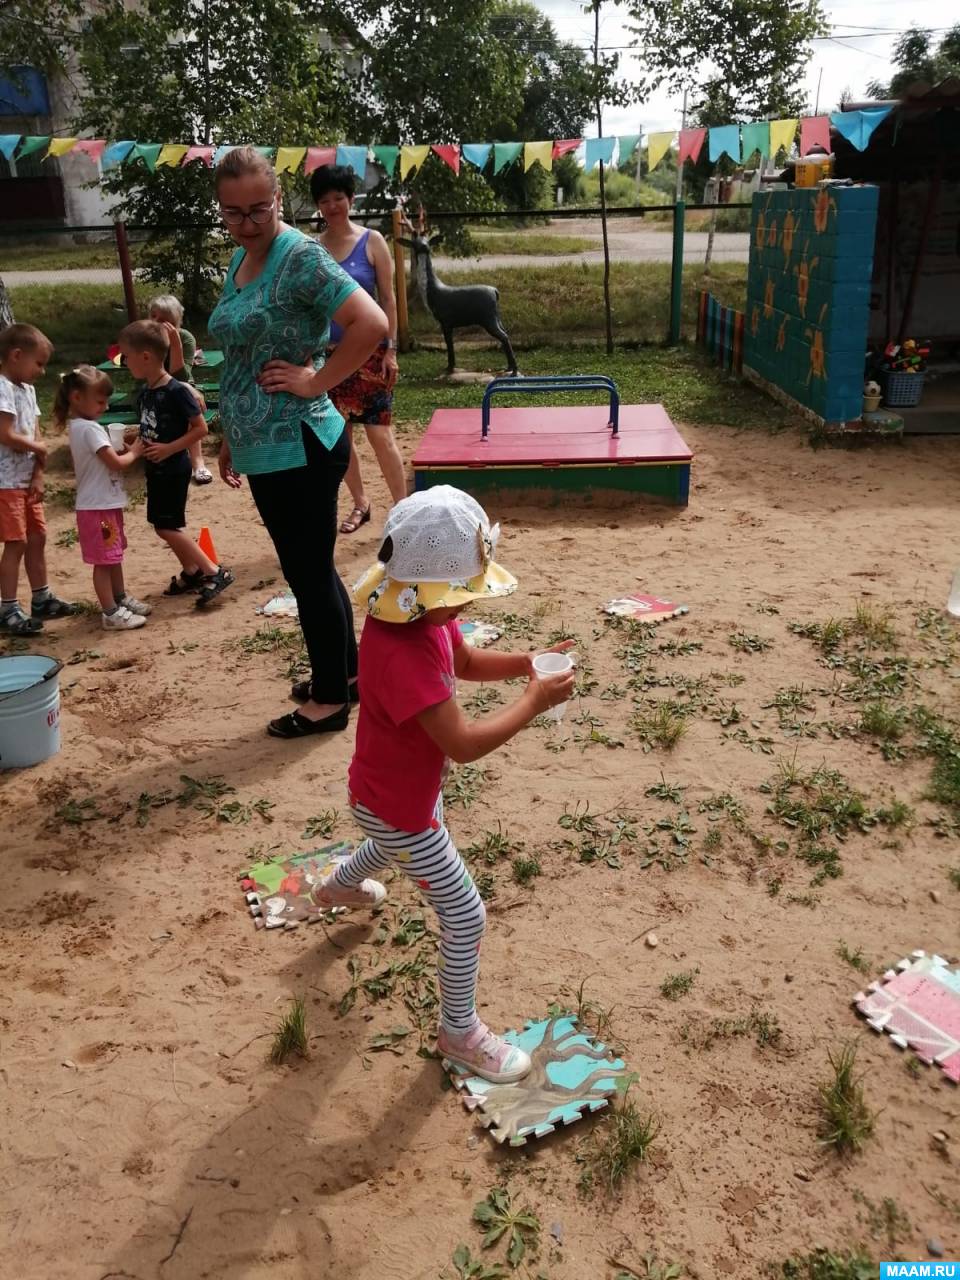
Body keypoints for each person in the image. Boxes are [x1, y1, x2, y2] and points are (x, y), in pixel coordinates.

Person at [313, 486, 575, 1083]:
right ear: (422, 590)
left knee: (388, 843)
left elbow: (464, 661)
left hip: (385, 795)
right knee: (466, 916)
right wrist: (532, 703)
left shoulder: (414, 615)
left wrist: (525, 663)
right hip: (401, 806)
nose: (461, 609)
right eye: (456, 597)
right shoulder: (398, 653)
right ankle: (459, 1034)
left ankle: (336, 888)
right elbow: (463, 744)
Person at [208, 145, 388, 738]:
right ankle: (349, 675)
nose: (248, 224)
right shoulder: (241, 260)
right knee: (313, 569)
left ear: (279, 199)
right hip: (265, 443)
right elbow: (241, 355)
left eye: (259, 209)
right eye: (234, 214)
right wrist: (232, 432)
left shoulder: (299, 256)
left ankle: (330, 701)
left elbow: (372, 324)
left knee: (306, 574)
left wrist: (315, 381)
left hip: (301, 444)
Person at [311, 164, 406, 533]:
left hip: (371, 355)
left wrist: (391, 350)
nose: (333, 206)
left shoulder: (373, 241)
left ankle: (403, 510)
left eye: (338, 197)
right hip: (331, 357)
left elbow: (388, 298)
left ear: (350, 199)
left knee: (381, 434)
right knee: (341, 435)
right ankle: (361, 504)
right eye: (325, 200)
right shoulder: (313, 248)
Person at [119, 320, 233, 607]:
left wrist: (170, 448)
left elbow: (200, 429)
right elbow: (153, 427)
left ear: (145, 357)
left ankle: (214, 571)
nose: (124, 363)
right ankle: (192, 571)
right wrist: (133, 441)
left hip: (173, 468)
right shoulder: (146, 393)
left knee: (169, 527)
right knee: (161, 525)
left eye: (127, 357)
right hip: (156, 469)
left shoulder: (176, 391)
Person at [56, 365, 151, 631]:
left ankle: (119, 598)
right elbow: (116, 463)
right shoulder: (89, 429)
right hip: (98, 507)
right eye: (100, 401)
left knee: (113, 554)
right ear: (76, 397)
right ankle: (110, 611)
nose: (105, 407)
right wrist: (135, 452)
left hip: (103, 503)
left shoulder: (80, 427)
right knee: (104, 560)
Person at [0, 323, 74, 636]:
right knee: (16, 543)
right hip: (6, 482)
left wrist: (39, 473)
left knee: (38, 538)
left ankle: (41, 597)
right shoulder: (2, 387)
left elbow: (35, 431)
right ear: (16, 355)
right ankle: (8, 608)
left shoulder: (28, 390)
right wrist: (38, 448)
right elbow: (5, 434)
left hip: (27, 479)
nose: (42, 372)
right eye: (39, 363)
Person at [147, 294, 213, 486]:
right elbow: (150, 376)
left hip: (177, 388)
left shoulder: (185, 338)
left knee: (188, 405)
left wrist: (175, 344)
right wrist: (184, 387)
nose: (157, 323)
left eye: (164, 320)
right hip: (153, 390)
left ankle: (198, 463)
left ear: (175, 321)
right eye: (153, 316)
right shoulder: (146, 338)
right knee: (185, 396)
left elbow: (181, 376)